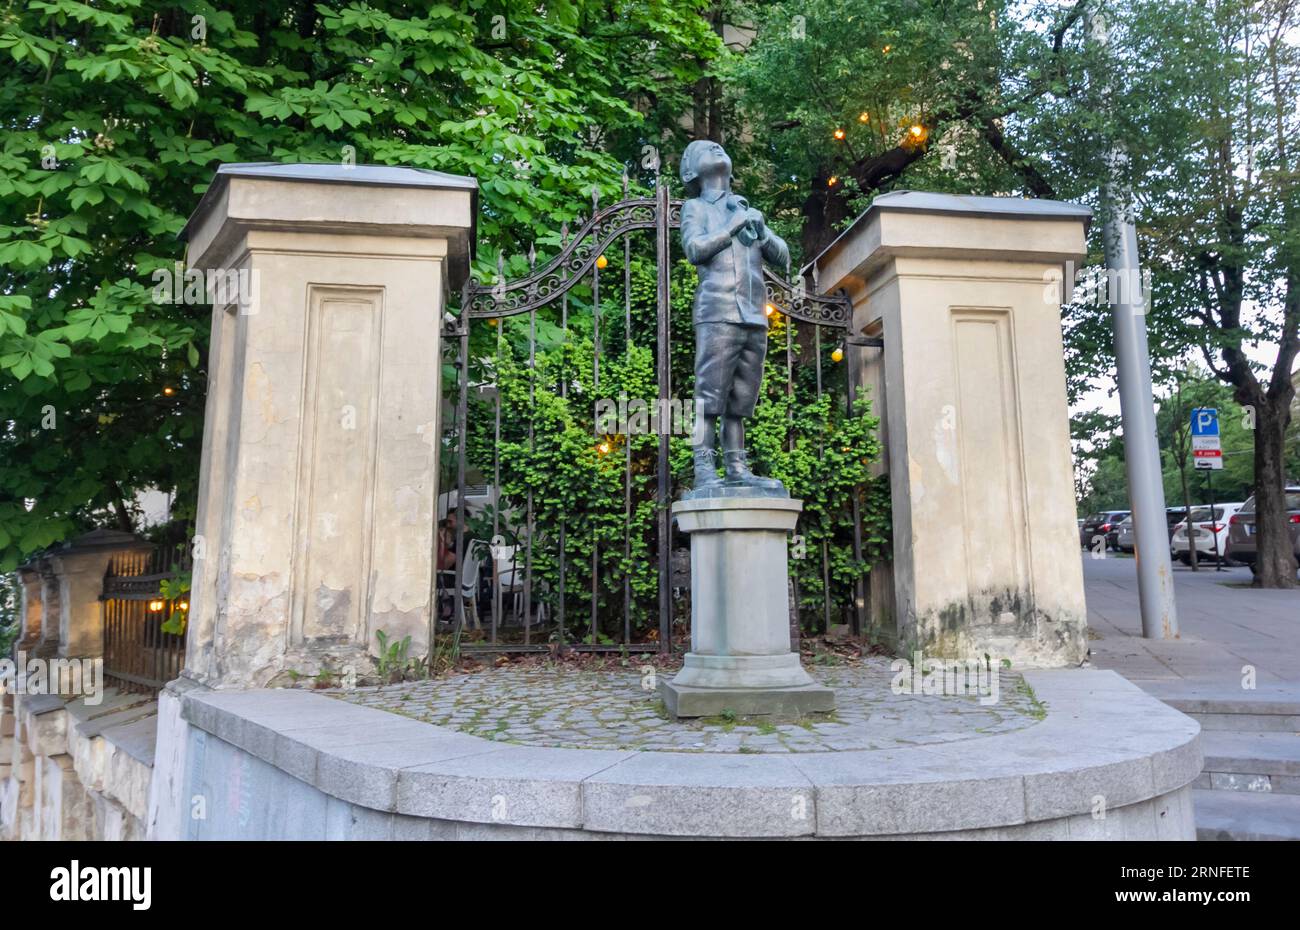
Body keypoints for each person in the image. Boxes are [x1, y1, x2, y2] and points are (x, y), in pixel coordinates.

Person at [678, 139, 788, 493]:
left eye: (720, 147)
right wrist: (732, 225)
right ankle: (703, 468)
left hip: (753, 316)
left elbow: (783, 258)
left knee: (741, 400)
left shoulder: (746, 209)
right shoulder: (695, 207)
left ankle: (737, 467)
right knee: (709, 396)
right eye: (707, 149)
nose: (717, 149)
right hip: (718, 311)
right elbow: (695, 249)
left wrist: (762, 227)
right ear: (691, 170)